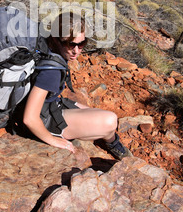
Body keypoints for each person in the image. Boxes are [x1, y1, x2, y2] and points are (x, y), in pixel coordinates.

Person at [20, 11, 132, 160]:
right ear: (56, 39)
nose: (76, 51)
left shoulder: (46, 44)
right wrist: (52, 140)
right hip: (45, 121)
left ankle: (111, 140)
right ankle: (112, 143)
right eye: (71, 44)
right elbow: (29, 118)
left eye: (82, 44)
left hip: (50, 106)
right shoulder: (51, 72)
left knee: (94, 112)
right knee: (110, 121)